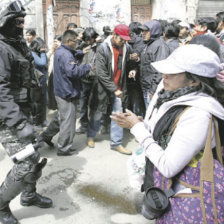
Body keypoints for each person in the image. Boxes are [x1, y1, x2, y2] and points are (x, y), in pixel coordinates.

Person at [111, 44, 224, 223]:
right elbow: (169, 136)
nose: (165, 75)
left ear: (193, 80)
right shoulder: (178, 97)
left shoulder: (198, 114)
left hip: (185, 195)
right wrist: (142, 125)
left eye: (173, 72)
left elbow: (168, 166)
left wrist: (137, 129)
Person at [0, 1, 52, 223]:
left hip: (26, 111)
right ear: (7, 23)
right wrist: (19, 124)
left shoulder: (18, 44)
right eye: (17, 21)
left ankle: (29, 195)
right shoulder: (2, 48)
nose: (21, 25)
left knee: (35, 156)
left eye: (23, 21)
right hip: (8, 119)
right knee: (26, 163)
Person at [86, 24, 135, 154]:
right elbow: (101, 72)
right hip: (103, 87)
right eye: (121, 39)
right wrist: (114, 88)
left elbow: (130, 63)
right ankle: (91, 135)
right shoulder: (103, 48)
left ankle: (116, 143)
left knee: (118, 115)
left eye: (125, 39)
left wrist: (133, 69)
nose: (123, 42)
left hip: (118, 87)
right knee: (97, 113)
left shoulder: (127, 48)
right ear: (114, 35)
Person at [50, 29, 91, 156]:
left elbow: (71, 55)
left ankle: (45, 137)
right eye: (75, 41)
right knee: (68, 122)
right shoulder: (66, 55)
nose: (77, 44)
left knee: (62, 118)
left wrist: (80, 53)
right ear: (68, 41)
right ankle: (63, 149)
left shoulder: (62, 50)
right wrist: (87, 67)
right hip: (67, 92)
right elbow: (73, 72)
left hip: (61, 90)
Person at [138, 20, 170, 109]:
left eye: (146, 31)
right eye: (142, 31)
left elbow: (160, 70)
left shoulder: (160, 46)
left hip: (152, 89)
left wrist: (153, 90)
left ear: (154, 31)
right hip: (147, 87)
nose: (143, 33)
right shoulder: (149, 44)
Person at [75, 27, 100, 134]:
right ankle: (84, 125)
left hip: (95, 79)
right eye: (87, 39)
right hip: (83, 79)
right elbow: (73, 53)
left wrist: (100, 40)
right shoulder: (80, 46)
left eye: (91, 39)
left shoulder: (99, 46)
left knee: (94, 104)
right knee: (83, 104)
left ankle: (93, 126)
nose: (89, 42)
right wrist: (79, 40)